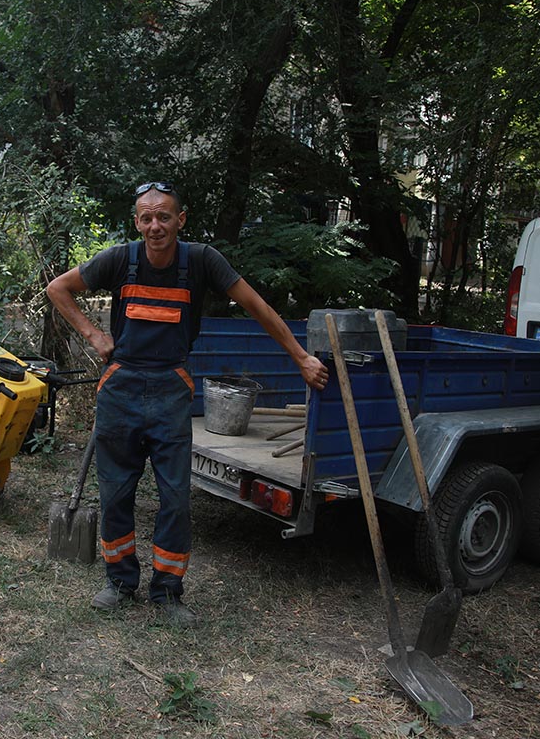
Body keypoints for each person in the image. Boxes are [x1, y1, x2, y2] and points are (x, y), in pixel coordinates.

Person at [46, 181, 329, 626]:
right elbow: (58, 289)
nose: (155, 225)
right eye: (146, 217)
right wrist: (94, 334)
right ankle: (119, 582)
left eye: (163, 217)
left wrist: (301, 358)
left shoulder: (200, 261)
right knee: (116, 492)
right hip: (120, 388)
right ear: (136, 222)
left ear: (181, 220)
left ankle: (167, 592)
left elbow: (257, 306)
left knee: (175, 498)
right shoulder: (120, 258)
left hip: (170, 390)